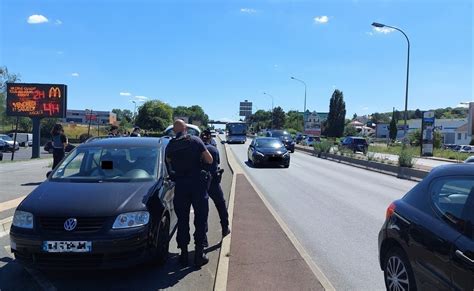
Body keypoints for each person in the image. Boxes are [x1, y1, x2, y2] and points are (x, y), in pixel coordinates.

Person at [165, 119, 213, 267]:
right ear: (186, 129)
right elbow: (210, 160)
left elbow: (168, 162)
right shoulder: (196, 141)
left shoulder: (171, 145)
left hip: (181, 186)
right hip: (198, 186)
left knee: (183, 220)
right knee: (200, 219)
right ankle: (199, 254)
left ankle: (184, 254)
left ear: (174, 130)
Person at [200, 130, 230, 245]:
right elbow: (217, 163)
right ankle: (225, 228)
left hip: (200, 184)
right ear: (209, 138)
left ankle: (203, 239)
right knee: (221, 205)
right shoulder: (213, 149)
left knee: (202, 212)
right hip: (213, 183)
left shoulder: (197, 150)